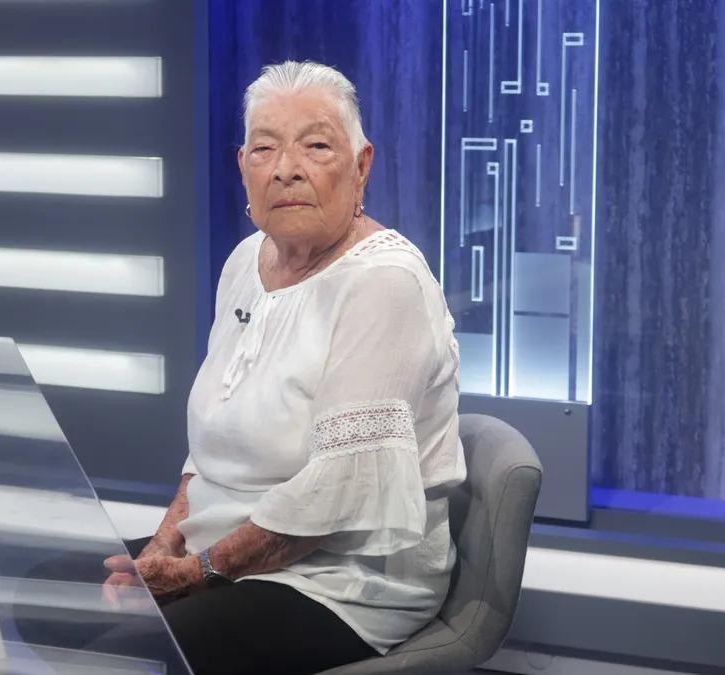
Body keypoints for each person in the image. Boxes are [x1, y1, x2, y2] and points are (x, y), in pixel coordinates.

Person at [103, 60, 467, 675]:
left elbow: (336, 495)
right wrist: (165, 544)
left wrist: (193, 574)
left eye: (316, 146)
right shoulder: (247, 261)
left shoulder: (384, 284)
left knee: (126, 656)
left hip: (337, 578)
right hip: (220, 549)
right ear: (243, 167)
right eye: (264, 148)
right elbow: (212, 440)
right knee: (46, 593)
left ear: (361, 166)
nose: (286, 168)